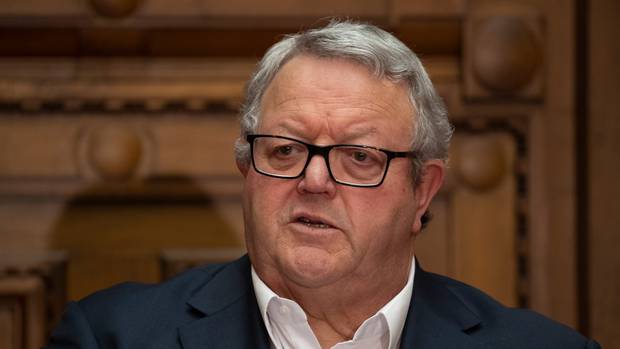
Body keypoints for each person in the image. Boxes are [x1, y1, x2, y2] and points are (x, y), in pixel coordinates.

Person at [45, 20, 600, 349]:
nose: (314, 180)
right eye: (285, 150)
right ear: (246, 169)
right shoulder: (113, 337)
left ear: (422, 191)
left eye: (359, 157)